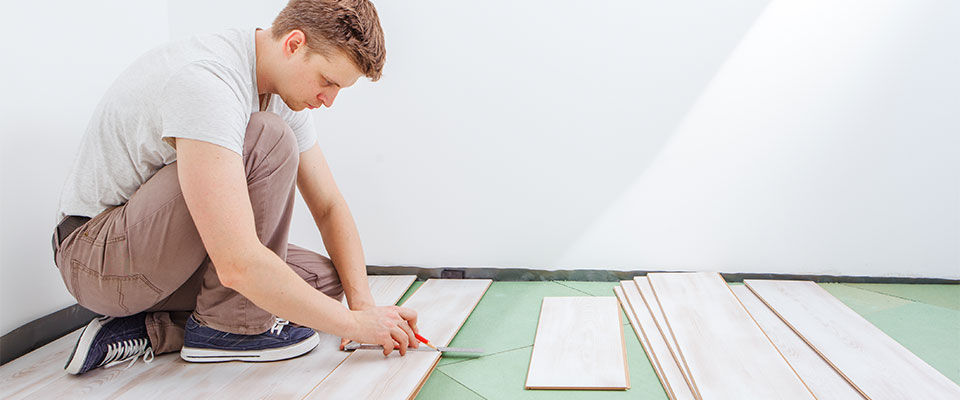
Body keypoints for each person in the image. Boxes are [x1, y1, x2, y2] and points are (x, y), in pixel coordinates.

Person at [51, 0, 419, 376]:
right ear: (294, 44)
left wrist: (363, 306)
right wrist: (354, 327)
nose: (329, 100)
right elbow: (237, 263)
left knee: (322, 280)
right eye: (327, 81)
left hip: (156, 256)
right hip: (97, 259)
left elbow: (328, 206)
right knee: (268, 138)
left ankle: (154, 330)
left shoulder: (282, 91)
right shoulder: (208, 82)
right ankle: (225, 330)